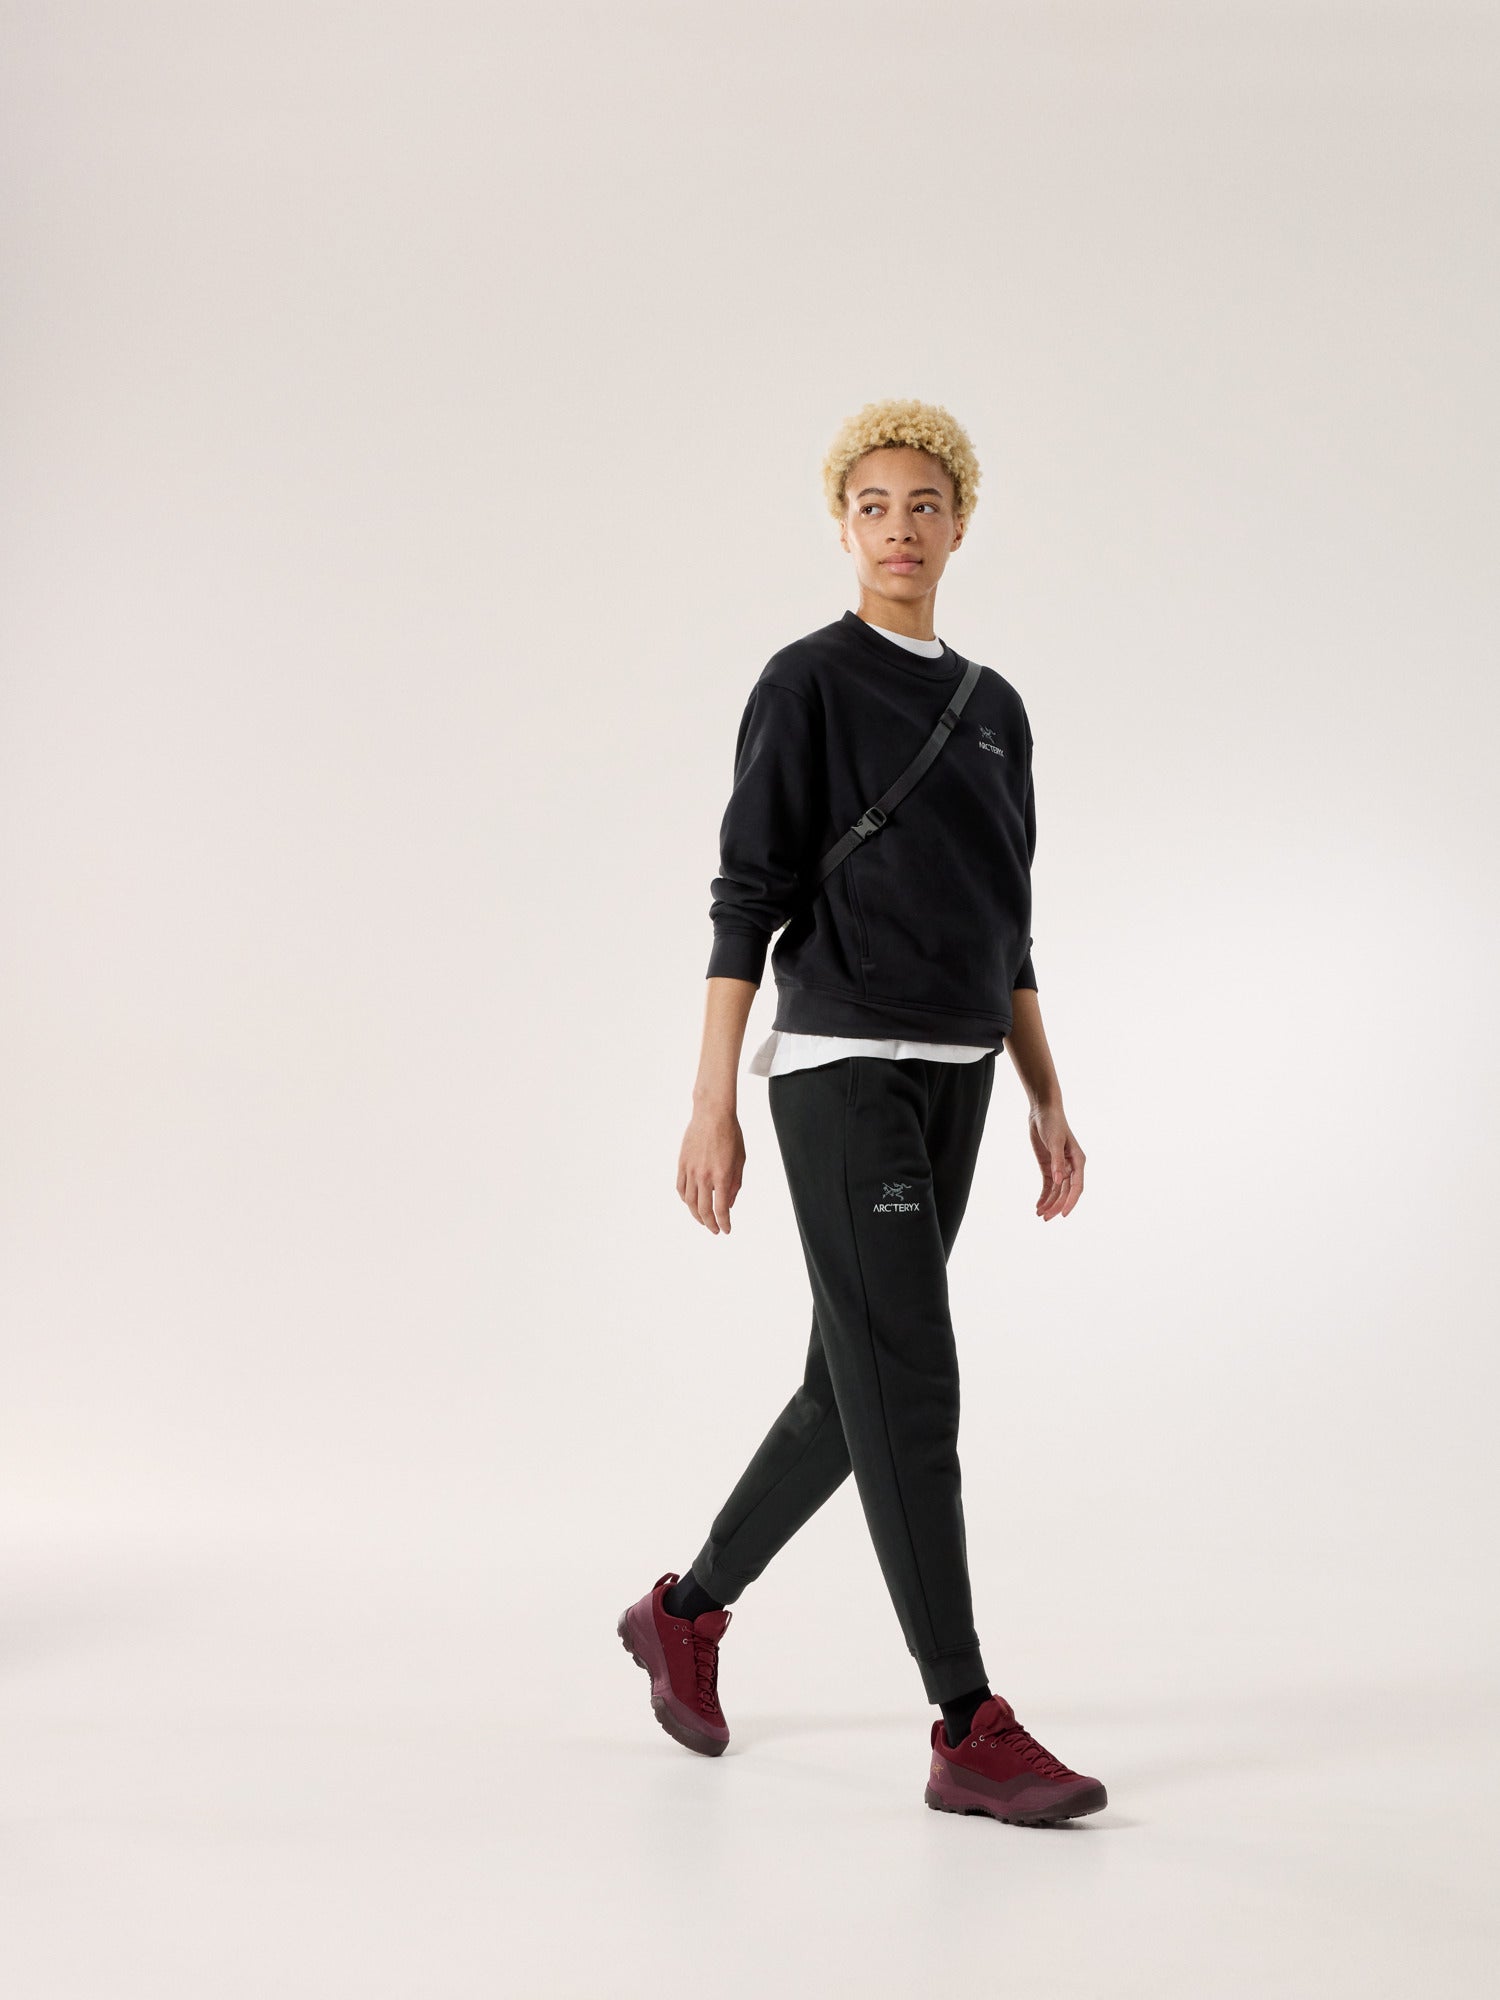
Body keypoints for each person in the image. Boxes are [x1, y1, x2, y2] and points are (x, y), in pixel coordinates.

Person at [616, 397, 1108, 1826]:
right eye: (874, 505)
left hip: (961, 1075)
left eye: (925, 504)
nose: (901, 528)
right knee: (913, 1381)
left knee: (853, 1390)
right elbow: (746, 895)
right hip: (840, 1068)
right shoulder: (807, 682)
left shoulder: (997, 710)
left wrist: (1047, 1092)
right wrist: (712, 1101)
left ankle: (682, 1613)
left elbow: (1007, 926)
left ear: (960, 525)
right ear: (843, 527)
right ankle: (966, 1721)